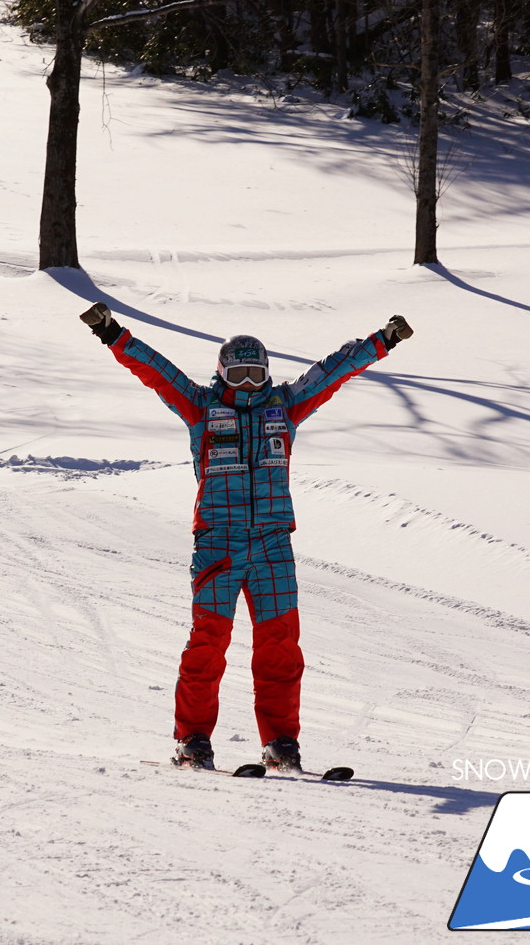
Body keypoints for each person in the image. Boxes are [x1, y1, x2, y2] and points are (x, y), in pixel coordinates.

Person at [79, 301, 413, 773]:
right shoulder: (202, 408)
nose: (249, 384)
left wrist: (381, 341)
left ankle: (280, 745)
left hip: (274, 544)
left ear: (268, 374)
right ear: (222, 376)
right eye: (239, 376)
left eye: (257, 374)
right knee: (208, 644)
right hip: (218, 542)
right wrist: (112, 333)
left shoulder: (285, 408)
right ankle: (192, 741)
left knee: (280, 647)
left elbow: (330, 373)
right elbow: (158, 372)